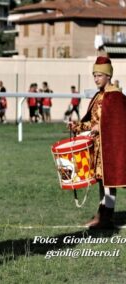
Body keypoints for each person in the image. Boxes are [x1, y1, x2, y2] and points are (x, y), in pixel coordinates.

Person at [69, 56, 126, 229]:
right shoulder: (98, 96)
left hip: (112, 147)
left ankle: (106, 216)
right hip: (99, 146)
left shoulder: (115, 96)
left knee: (111, 181)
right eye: (94, 75)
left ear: (108, 76)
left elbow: (118, 124)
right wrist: (77, 126)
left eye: (99, 75)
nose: (96, 79)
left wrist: (99, 129)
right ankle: (103, 214)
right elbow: (94, 122)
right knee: (103, 181)